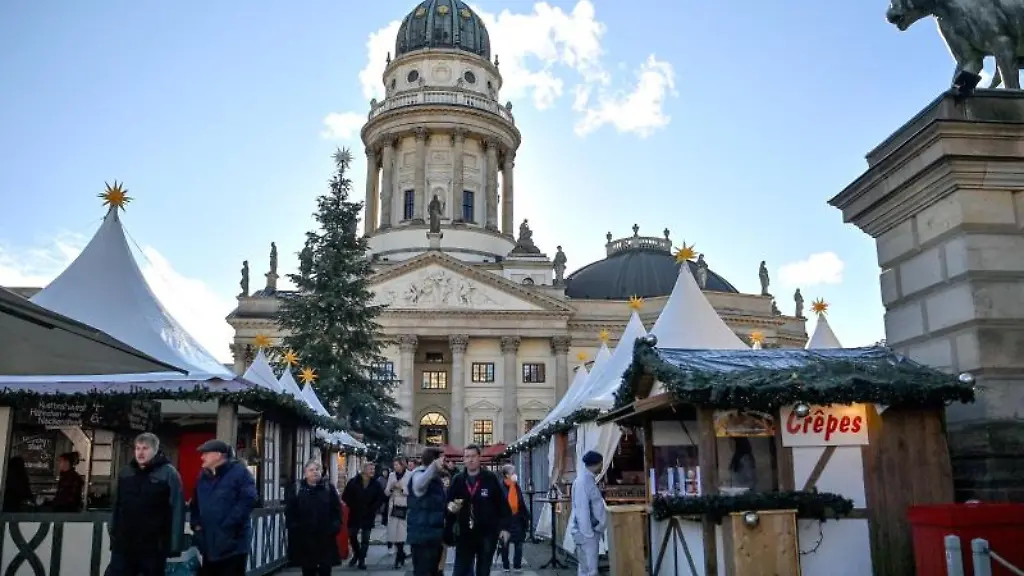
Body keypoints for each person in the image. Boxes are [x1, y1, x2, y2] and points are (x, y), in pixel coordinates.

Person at [107, 433, 186, 576]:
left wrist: (174, 545)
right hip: (124, 544)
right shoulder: (126, 473)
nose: (140, 452)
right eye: (137, 448)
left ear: (155, 450)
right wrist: (113, 533)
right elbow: (117, 506)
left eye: (145, 448)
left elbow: (177, 509)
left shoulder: (169, 474)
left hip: (153, 546)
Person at [190, 439, 257, 576]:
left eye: (206, 453)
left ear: (218, 455)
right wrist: (196, 525)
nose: (202, 457)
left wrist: (228, 526)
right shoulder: (202, 477)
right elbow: (195, 504)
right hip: (209, 544)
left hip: (233, 545)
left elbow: (248, 500)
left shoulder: (240, 473)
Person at [448, 445, 511, 576]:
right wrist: (451, 509)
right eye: (467, 456)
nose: (470, 460)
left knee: (483, 570)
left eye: (473, 456)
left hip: (487, 533)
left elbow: (502, 504)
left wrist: (504, 528)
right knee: (460, 571)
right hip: (465, 534)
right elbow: (448, 503)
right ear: (463, 459)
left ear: (479, 458)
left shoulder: (490, 478)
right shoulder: (458, 480)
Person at [286, 459, 342, 576]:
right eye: (311, 470)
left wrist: (334, 527)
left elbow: (336, 510)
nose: (314, 472)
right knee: (308, 570)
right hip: (305, 539)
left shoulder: (328, 488)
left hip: (325, 538)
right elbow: (290, 512)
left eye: (317, 469)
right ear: (305, 473)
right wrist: (295, 528)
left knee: (325, 570)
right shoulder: (298, 489)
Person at [407, 448, 447, 576]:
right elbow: (419, 486)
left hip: (433, 535)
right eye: (442, 459)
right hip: (422, 535)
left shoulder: (436, 478)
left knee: (432, 571)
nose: (444, 462)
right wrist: (433, 467)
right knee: (423, 572)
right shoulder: (419, 474)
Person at [342, 461, 386, 570]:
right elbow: (345, 496)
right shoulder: (353, 482)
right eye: (370, 469)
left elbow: (381, 498)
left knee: (365, 539)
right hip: (355, 513)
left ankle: (362, 560)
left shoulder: (375, 484)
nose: (373, 471)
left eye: (373, 469)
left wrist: (374, 508)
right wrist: (353, 505)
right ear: (364, 469)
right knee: (352, 535)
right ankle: (357, 554)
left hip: (368, 514)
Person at [571, 450, 607, 576]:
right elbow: (582, 509)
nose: (602, 466)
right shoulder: (584, 481)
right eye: (601, 464)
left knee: (586, 567)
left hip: (589, 530)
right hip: (587, 532)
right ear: (596, 464)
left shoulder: (586, 480)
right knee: (589, 569)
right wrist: (588, 533)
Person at [498, 464, 529, 574]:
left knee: (519, 543)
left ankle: (517, 565)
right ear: (506, 475)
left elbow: (521, 502)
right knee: (505, 544)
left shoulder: (516, 486)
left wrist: (526, 516)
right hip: (505, 519)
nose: (515, 475)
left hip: (517, 518)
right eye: (513, 473)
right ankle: (505, 565)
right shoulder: (500, 487)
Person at [385, 457, 411, 569]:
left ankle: (399, 557)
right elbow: (386, 492)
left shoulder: (409, 475)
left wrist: (401, 488)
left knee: (401, 532)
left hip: (403, 506)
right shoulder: (391, 475)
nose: (395, 467)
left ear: (402, 465)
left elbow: (411, 492)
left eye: (397, 465)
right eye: (394, 465)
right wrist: (390, 488)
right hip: (393, 506)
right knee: (393, 533)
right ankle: (400, 554)